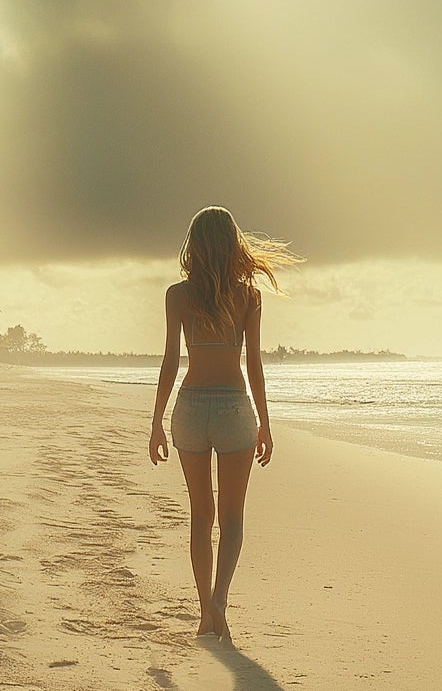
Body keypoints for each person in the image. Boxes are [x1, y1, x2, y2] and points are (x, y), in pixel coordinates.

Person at [148, 206, 300, 640]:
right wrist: (265, 424)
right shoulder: (249, 296)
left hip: (191, 408)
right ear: (234, 245)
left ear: (193, 245)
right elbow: (254, 366)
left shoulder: (177, 295)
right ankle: (219, 601)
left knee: (201, 515)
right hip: (235, 408)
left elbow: (170, 361)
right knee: (231, 517)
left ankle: (203, 611)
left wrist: (157, 421)